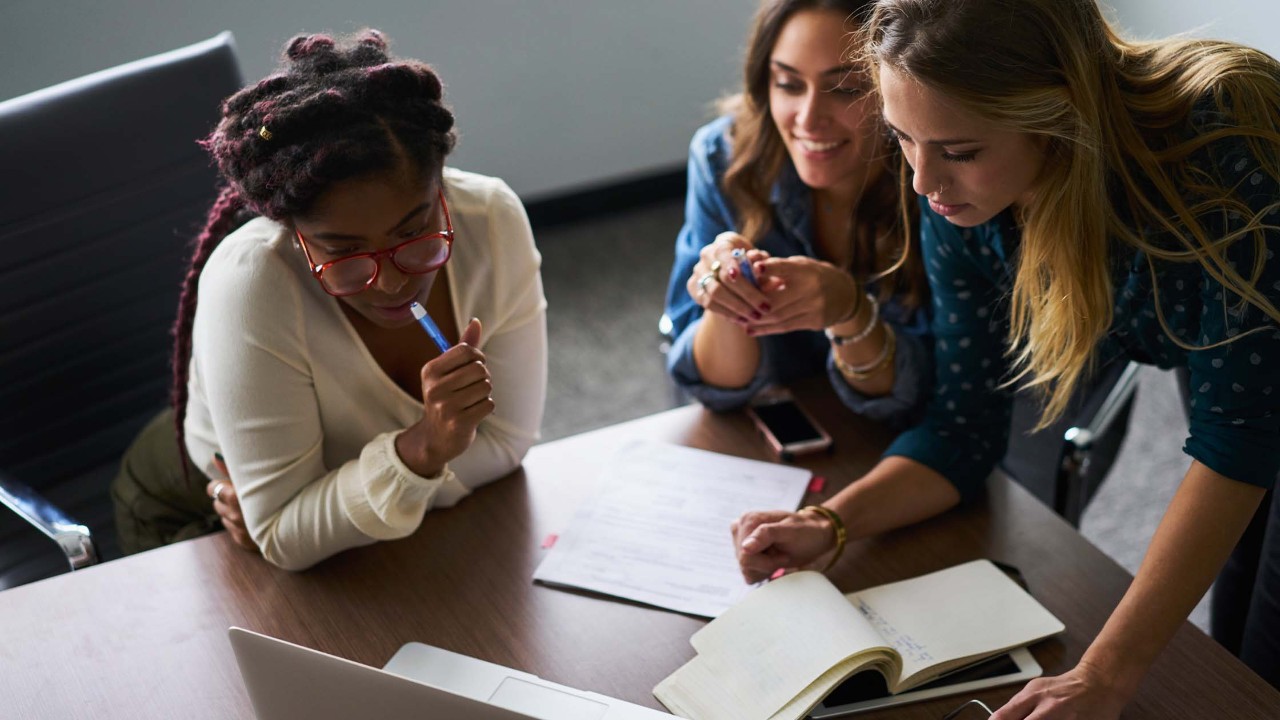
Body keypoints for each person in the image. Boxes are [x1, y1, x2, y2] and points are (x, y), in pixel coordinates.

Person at [732, 0, 1280, 713]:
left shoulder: (1224, 143)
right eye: (902, 138)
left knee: (1267, 655)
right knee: (1235, 618)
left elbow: (1237, 443)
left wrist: (1103, 673)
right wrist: (830, 523)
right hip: (1247, 365)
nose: (924, 183)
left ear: (1061, 115)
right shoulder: (958, 200)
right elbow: (963, 428)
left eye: (959, 151)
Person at [111, 30, 547, 571]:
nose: (390, 283)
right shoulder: (252, 282)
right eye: (344, 252)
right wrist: (424, 451)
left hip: (343, 530)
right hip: (194, 507)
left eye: (415, 232)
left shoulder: (491, 220)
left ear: (442, 192)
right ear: (295, 233)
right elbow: (283, 536)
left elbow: (506, 446)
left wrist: (325, 516)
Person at [664, 0, 929, 426]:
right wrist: (727, 299)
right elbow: (713, 386)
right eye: (788, 84)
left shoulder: (932, 181)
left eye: (845, 88)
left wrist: (850, 311)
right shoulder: (724, 159)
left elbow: (923, 396)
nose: (808, 119)